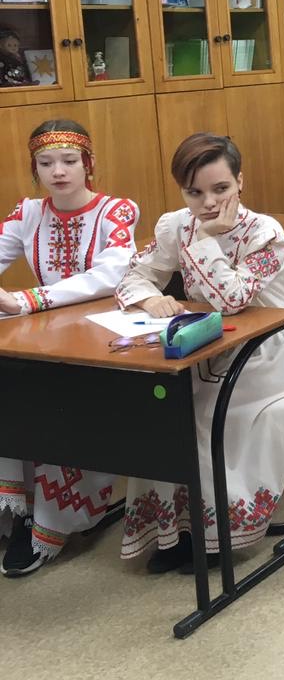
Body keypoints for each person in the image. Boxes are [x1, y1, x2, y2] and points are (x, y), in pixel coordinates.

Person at [116, 133, 284, 573]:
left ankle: (215, 534)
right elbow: (132, 277)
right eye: (194, 193)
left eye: (220, 189)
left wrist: (206, 239)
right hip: (203, 344)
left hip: (270, 346)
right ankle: (174, 530)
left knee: (212, 414)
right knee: (164, 411)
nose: (208, 203)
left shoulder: (265, 232)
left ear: (240, 181)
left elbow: (232, 299)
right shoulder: (175, 224)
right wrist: (150, 298)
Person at [0, 120, 138, 577]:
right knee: (10, 389)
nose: (57, 171)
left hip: (104, 337)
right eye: (45, 163)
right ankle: (16, 507)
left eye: (69, 161)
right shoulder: (28, 213)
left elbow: (109, 276)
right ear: (34, 168)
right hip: (43, 335)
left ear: (88, 164)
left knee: (55, 403)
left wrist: (28, 299)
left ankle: (51, 521)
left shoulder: (116, 211)